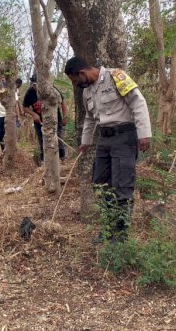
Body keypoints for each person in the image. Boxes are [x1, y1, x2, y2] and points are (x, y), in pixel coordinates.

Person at [64, 57, 152, 242]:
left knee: (122, 186)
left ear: (82, 73)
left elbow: (138, 102)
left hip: (124, 136)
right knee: (100, 184)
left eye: (76, 80)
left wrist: (144, 134)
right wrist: (85, 142)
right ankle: (108, 229)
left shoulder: (116, 77)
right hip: (104, 139)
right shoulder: (87, 91)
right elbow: (89, 119)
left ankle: (120, 236)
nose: (77, 84)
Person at [22, 75, 68, 163]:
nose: (35, 87)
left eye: (37, 85)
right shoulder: (30, 92)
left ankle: (62, 159)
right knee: (42, 142)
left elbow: (62, 102)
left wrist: (65, 117)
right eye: (34, 85)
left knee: (58, 140)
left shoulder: (52, 89)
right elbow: (25, 107)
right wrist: (34, 114)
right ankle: (44, 162)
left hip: (55, 121)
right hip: (40, 123)